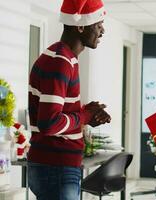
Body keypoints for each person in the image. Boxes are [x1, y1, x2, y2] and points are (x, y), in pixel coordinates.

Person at [27, 0, 110, 199]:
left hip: (56, 167)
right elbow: (49, 124)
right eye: (98, 24)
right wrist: (84, 116)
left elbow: (54, 113)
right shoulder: (60, 61)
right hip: (56, 168)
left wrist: (86, 111)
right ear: (81, 26)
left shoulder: (63, 57)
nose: (102, 31)